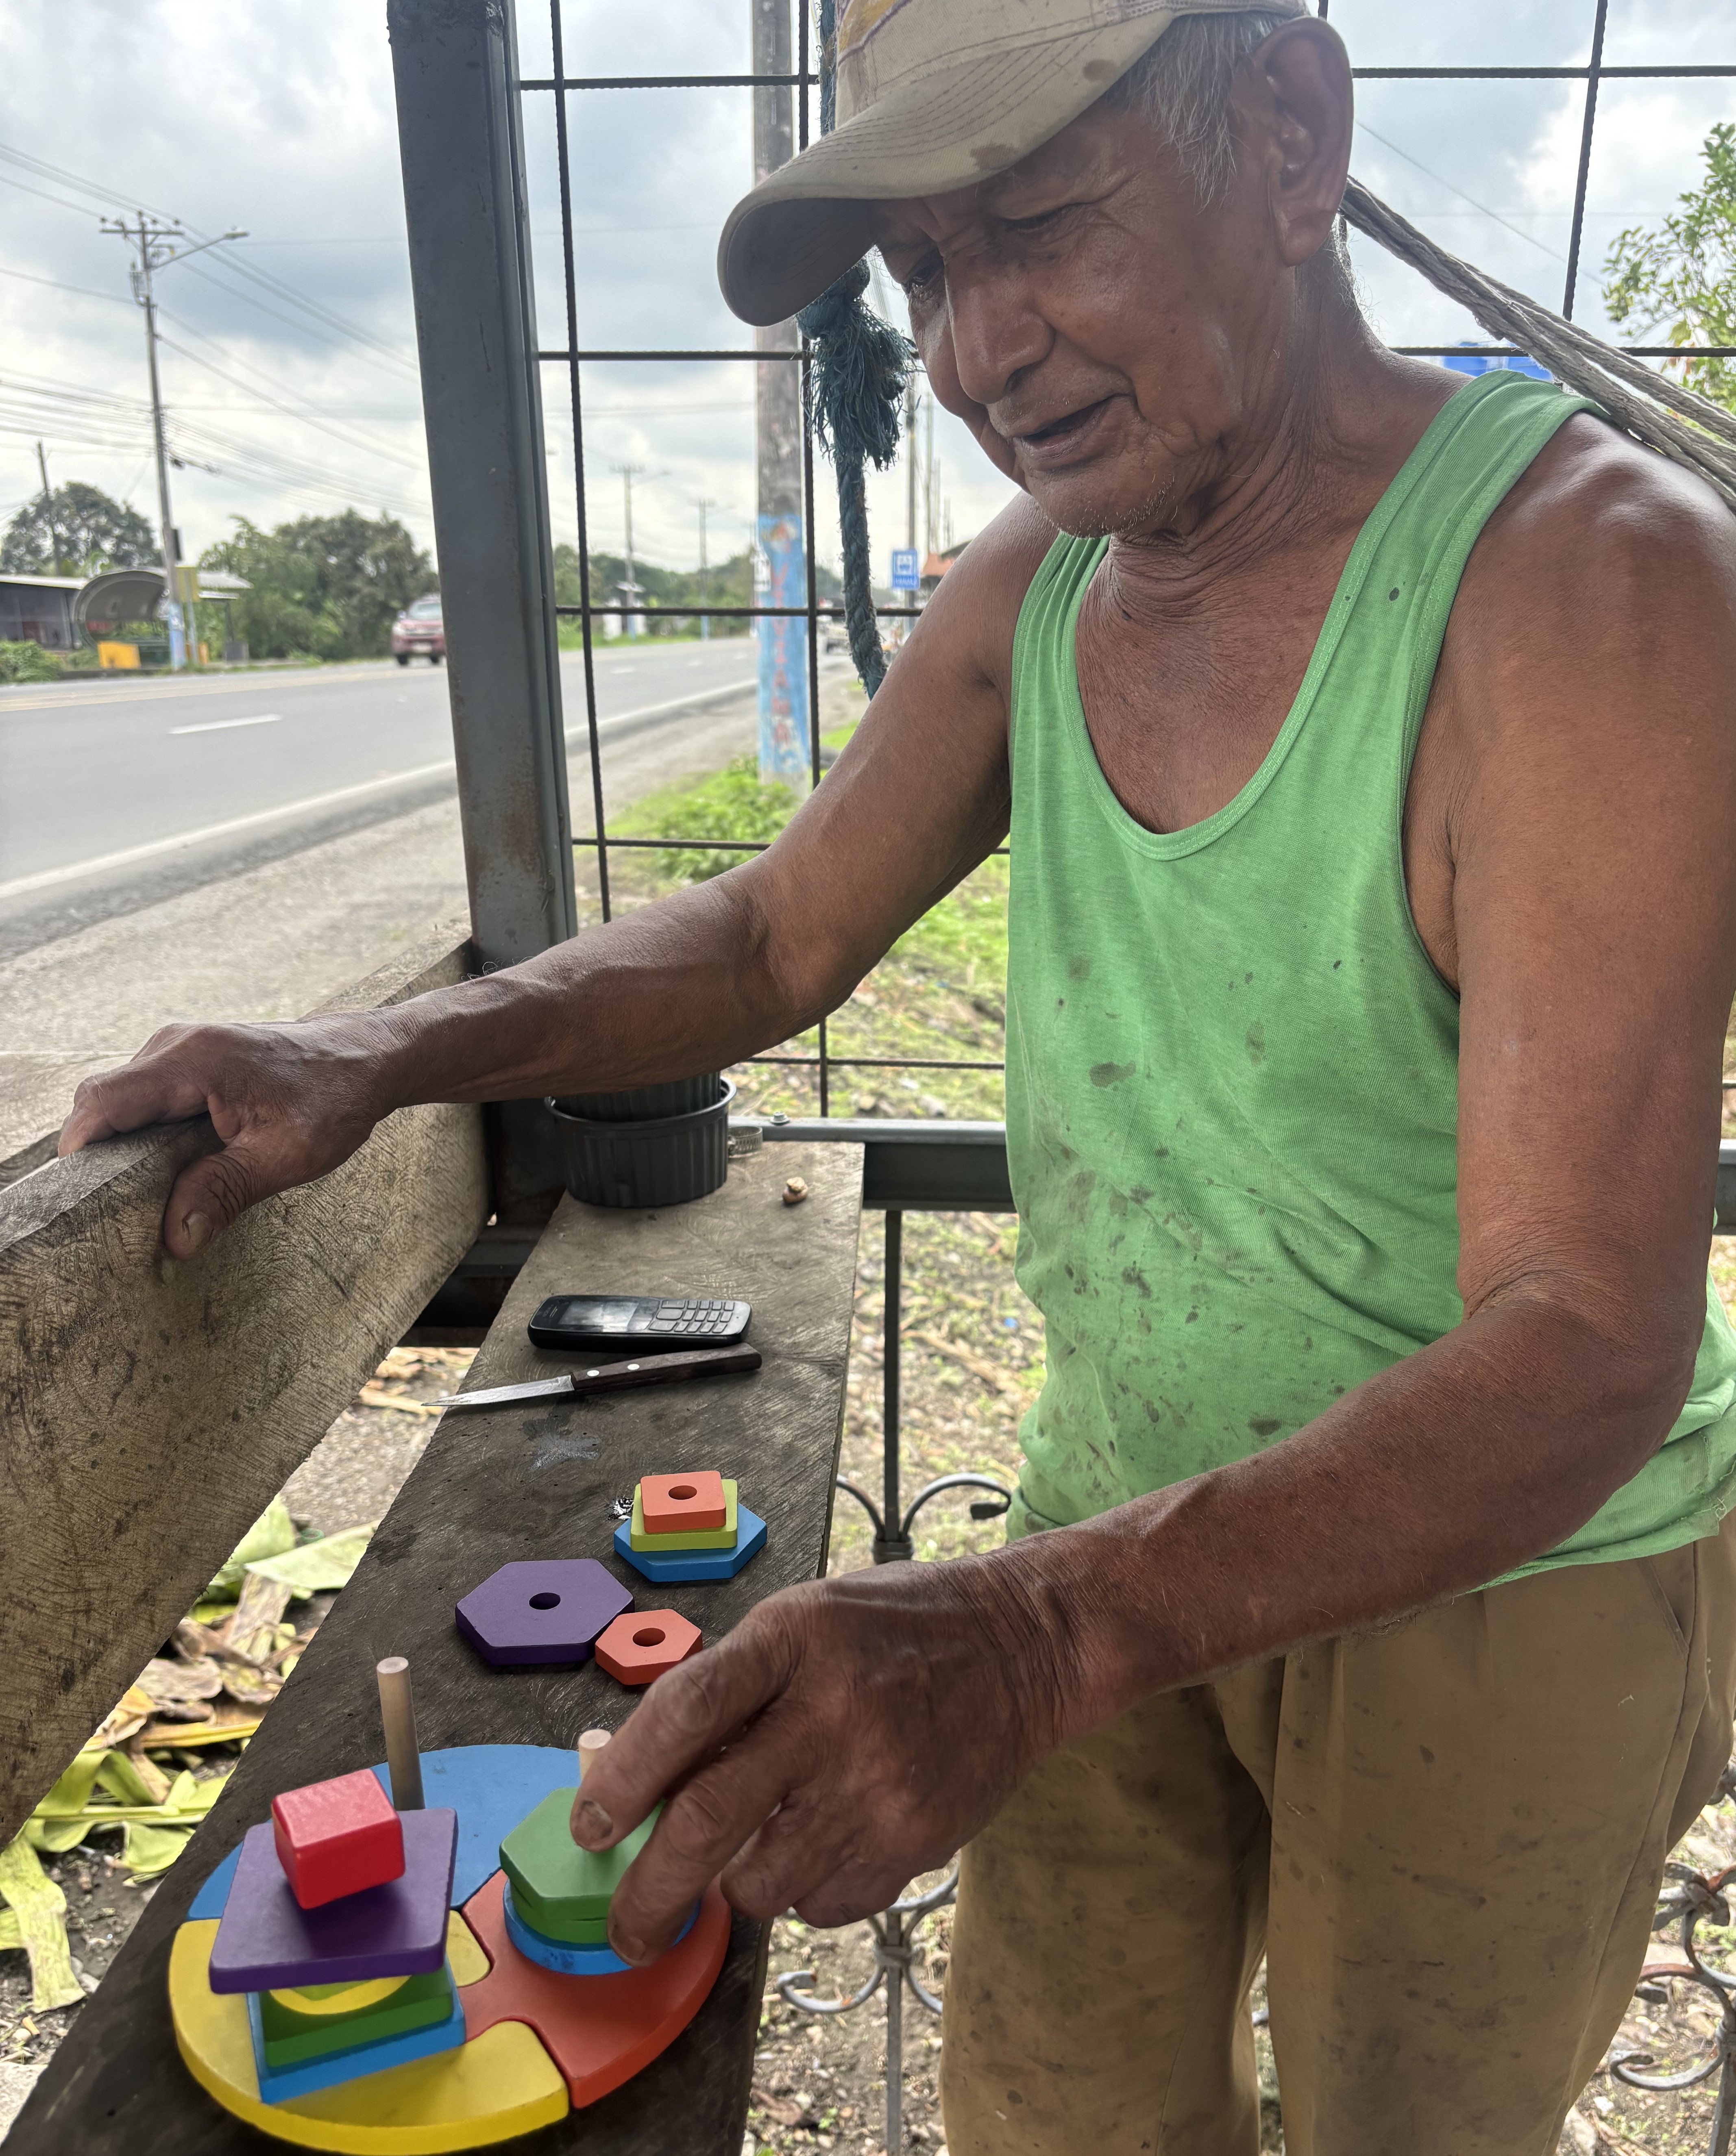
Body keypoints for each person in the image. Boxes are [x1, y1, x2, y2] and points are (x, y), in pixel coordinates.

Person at [61, 4, 1736, 2149]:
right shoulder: (1043, 583)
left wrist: (1028, 1637)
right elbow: (775, 933)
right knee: (1055, 2117)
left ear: (1292, 136)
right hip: (1120, 1506)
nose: (970, 353)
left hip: (1505, 1579)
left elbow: (1586, 1335)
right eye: (926, 274)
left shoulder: (1596, 589)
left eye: (1039, 225)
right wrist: (385, 1048)